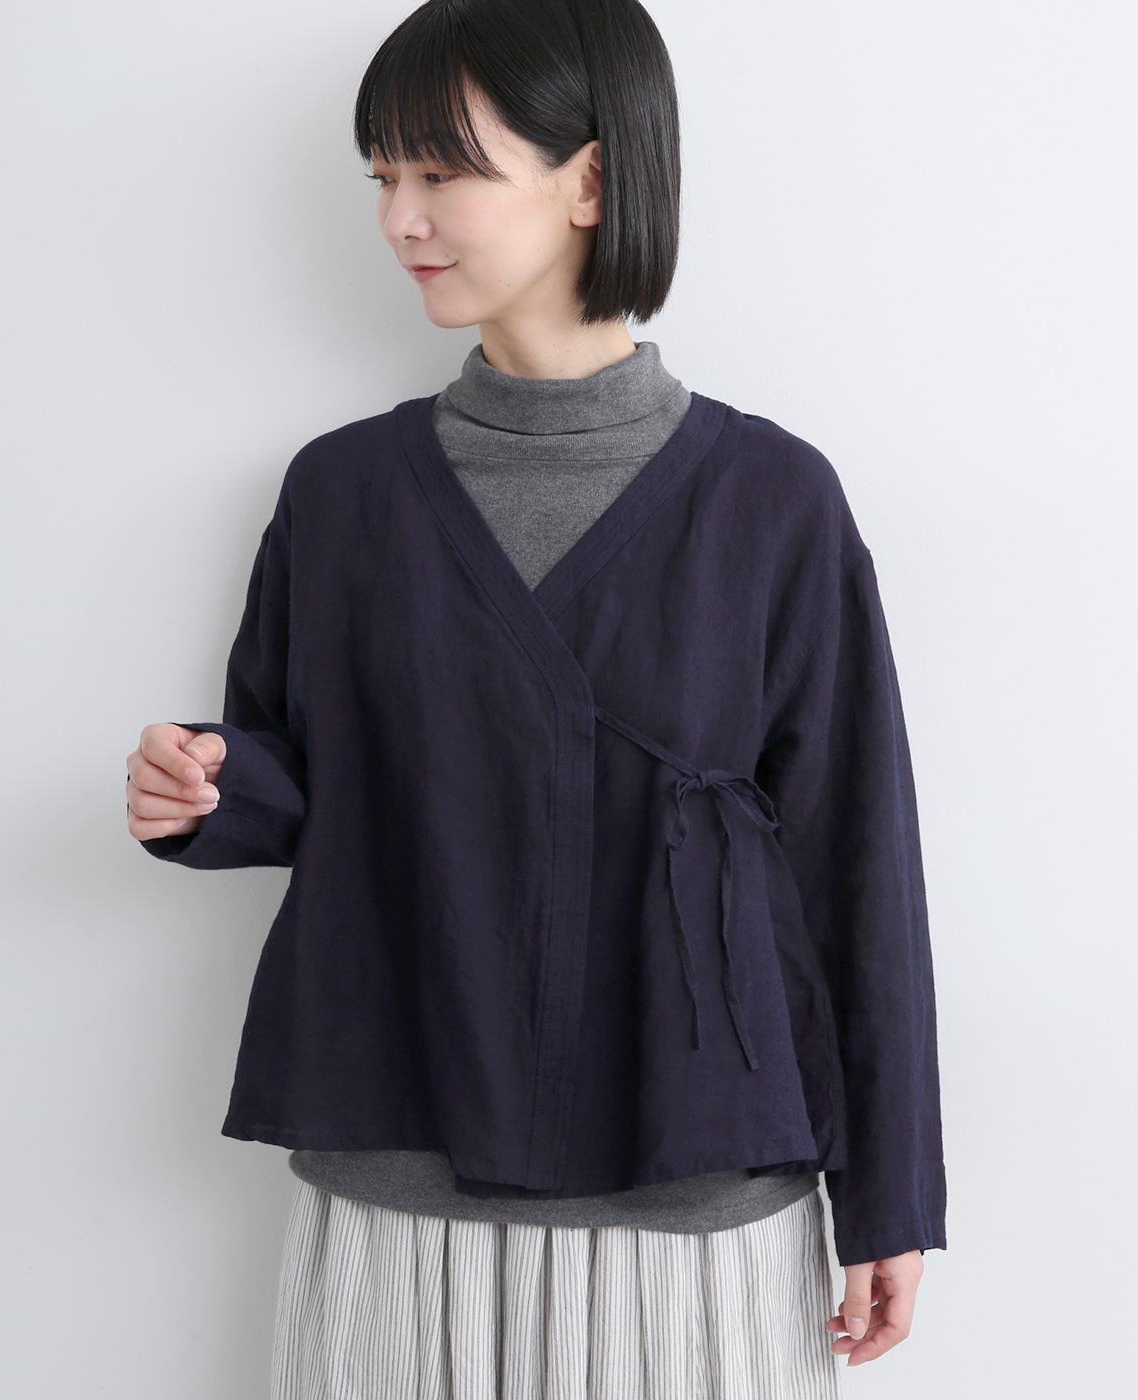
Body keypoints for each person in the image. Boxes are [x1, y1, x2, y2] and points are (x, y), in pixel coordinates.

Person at [126, 1, 946, 1395]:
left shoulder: (771, 502)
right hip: (400, 1190)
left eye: (442, 170)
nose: (400, 218)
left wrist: (892, 1198)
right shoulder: (342, 495)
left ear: (591, 179)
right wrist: (203, 786)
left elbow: (856, 862)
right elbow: (301, 775)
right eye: (383, 174)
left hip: (694, 1199)